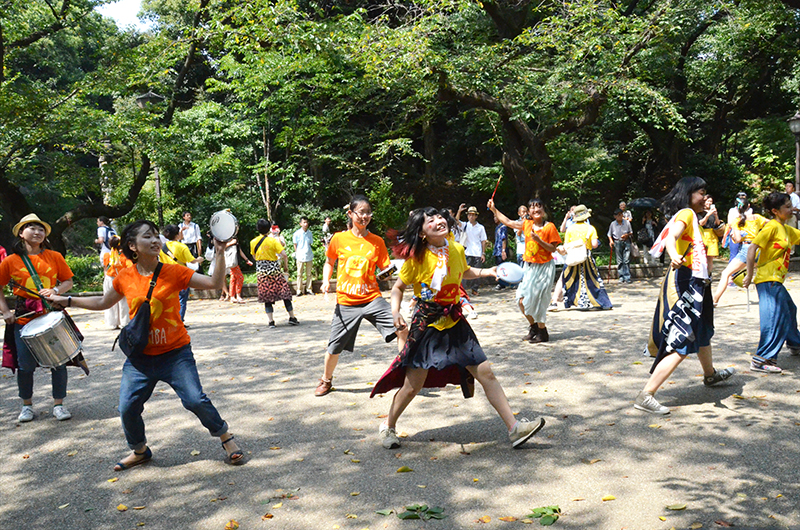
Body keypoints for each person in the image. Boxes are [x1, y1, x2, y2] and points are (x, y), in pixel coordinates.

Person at [49, 220, 244, 469]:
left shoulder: (174, 271)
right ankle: (140, 451)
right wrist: (67, 301)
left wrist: (218, 252)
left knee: (195, 400)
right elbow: (102, 303)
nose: (155, 241)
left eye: (156, 236)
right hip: (140, 357)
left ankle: (225, 437)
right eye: (147, 237)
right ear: (132, 245)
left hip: (176, 354)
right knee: (127, 407)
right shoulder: (124, 277)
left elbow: (214, 284)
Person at [370, 207, 545, 450]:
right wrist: (395, 311)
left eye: (439, 217)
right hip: (427, 323)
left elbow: (464, 271)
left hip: (454, 319)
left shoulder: (455, 249)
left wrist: (491, 271)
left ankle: (514, 429)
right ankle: (388, 426)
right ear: (421, 233)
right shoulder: (415, 258)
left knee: (486, 373)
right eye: (430, 220)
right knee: (413, 385)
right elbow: (398, 288)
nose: (438, 221)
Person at [635, 177, 735, 415]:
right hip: (685, 282)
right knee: (682, 338)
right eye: (701, 192)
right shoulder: (686, 213)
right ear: (689, 194)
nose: (704, 196)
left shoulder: (693, 217)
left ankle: (710, 375)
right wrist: (673, 255)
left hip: (698, 282)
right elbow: (672, 237)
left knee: (701, 331)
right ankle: (646, 395)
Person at [315, 195, 407, 397]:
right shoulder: (339, 238)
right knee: (334, 346)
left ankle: (403, 374)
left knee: (401, 327)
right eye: (361, 212)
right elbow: (329, 262)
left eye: (368, 212)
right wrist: (324, 281)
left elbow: (384, 269)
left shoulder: (377, 242)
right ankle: (326, 380)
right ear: (351, 213)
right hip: (346, 302)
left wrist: (391, 270)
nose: (365, 216)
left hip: (372, 299)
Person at [0, 213, 76, 422]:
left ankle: (59, 405)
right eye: (32, 227)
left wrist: (56, 289)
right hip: (24, 318)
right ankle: (26, 406)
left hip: (51, 315)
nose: (37, 231)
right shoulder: (11, 261)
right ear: (21, 233)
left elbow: (68, 281)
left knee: (58, 362)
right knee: (25, 365)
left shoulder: (54, 256)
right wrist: (5, 311)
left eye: (40, 228)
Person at [489, 198, 562, 343]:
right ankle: (533, 327)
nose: (536, 210)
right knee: (521, 300)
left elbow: (553, 249)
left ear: (543, 210)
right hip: (528, 267)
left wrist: (538, 240)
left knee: (539, 300)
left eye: (539, 207)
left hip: (545, 267)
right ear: (528, 212)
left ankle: (543, 332)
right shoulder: (526, 224)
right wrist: (493, 209)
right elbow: (509, 222)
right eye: (533, 208)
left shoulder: (550, 227)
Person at [742, 192, 800, 373]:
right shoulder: (772, 227)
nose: (792, 210)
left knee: (790, 309)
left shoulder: (786, 229)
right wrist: (749, 275)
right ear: (775, 211)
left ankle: (795, 344)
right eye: (787, 207)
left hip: (775, 281)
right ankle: (762, 359)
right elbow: (752, 248)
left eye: (791, 206)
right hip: (768, 281)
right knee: (774, 318)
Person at [712, 195, 767, 305]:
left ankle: (715, 300)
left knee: (726, 274)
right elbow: (771, 224)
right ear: (749, 206)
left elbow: (737, 240)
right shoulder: (757, 217)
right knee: (761, 275)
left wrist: (733, 237)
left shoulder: (736, 221)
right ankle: (766, 299)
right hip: (758, 248)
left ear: (736, 208)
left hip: (746, 249)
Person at [560, 205, 612, 310]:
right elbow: (594, 245)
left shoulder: (570, 229)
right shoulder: (590, 228)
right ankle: (599, 302)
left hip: (573, 258)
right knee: (592, 280)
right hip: (586, 257)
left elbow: (566, 245)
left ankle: (577, 302)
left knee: (574, 280)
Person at [250, 219, 298, 328]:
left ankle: (271, 321)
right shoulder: (273, 241)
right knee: (285, 293)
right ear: (269, 229)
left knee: (267, 296)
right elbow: (284, 255)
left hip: (262, 272)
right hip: (275, 271)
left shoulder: (253, 242)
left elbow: (254, 256)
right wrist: (285, 267)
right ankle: (292, 317)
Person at [160, 225, 204, 321]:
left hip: (166, 275)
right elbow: (191, 260)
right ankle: (179, 320)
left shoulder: (163, 247)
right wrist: (199, 260)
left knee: (170, 299)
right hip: (180, 275)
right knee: (182, 299)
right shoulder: (182, 246)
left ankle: (170, 320)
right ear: (177, 234)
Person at [456, 206, 488, 296]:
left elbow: (483, 241)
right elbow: (456, 221)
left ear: (476, 216)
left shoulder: (480, 227)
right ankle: (463, 290)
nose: (471, 217)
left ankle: (475, 289)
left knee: (477, 273)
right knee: (465, 272)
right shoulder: (465, 225)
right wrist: (459, 211)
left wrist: (483, 253)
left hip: (477, 252)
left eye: (473, 215)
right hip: (468, 252)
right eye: (469, 215)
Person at [102, 236, 132, 329]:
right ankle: (124, 322)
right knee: (123, 302)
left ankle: (112, 323)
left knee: (110, 300)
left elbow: (105, 269)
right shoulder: (125, 256)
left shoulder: (107, 255)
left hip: (109, 279)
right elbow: (129, 268)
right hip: (122, 279)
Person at [723, 192, 751, 263]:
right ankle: (733, 273)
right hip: (735, 233)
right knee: (734, 254)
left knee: (745, 256)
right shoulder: (732, 210)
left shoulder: (750, 211)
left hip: (747, 235)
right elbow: (730, 223)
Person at [608, 208, 633, 283]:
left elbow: (631, 232)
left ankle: (627, 277)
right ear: (615, 216)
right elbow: (609, 234)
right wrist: (611, 241)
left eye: (621, 214)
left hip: (626, 241)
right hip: (617, 242)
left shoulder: (627, 223)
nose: (620, 216)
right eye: (618, 215)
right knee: (620, 261)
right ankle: (621, 276)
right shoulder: (612, 224)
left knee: (626, 260)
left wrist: (627, 235)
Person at [699, 195, 724, 272]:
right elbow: (701, 223)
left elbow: (717, 224)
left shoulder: (713, 212)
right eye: (708, 201)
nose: (709, 203)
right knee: (702, 257)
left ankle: (709, 275)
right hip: (703, 234)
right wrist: (708, 214)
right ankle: (701, 274)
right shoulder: (700, 211)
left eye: (711, 202)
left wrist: (716, 215)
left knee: (710, 258)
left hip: (712, 235)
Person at [224, 239, 252, 304]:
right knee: (240, 278)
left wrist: (247, 260)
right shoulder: (225, 238)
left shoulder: (234, 238)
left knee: (233, 279)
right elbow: (220, 247)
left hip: (235, 262)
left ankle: (232, 296)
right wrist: (231, 243)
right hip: (231, 261)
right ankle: (238, 296)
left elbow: (239, 251)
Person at [293, 216, 314, 296]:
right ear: (300, 224)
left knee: (309, 274)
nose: (305, 224)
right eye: (304, 222)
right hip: (300, 255)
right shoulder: (296, 233)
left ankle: (309, 289)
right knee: (299, 274)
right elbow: (295, 245)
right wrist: (297, 253)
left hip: (309, 255)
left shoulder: (310, 233)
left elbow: (310, 243)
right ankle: (299, 290)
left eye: (306, 222)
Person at [491, 213, 509, 290]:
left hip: (501, 250)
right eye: (494, 217)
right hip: (497, 250)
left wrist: (503, 251)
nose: (495, 219)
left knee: (502, 268)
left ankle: (502, 284)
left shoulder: (503, 227)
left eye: (496, 217)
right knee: (499, 267)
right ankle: (501, 283)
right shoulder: (497, 227)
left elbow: (503, 239)